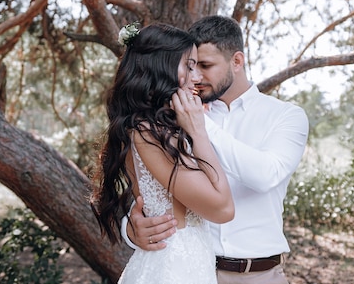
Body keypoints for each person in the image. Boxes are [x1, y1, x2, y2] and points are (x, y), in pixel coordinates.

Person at [121, 16, 309, 284]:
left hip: (257, 274)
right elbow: (155, 187)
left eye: (206, 65)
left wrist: (201, 125)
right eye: (192, 65)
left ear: (237, 61)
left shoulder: (285, 116)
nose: (197, 77)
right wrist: (131, 228)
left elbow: (266, 175)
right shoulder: (168, 119)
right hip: (188, 268)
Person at [91, 22, 235, 284]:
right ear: (161, 67)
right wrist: (199, 132)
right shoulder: (150, 133)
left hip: (190, 261)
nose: (197, 77)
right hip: (174, 267)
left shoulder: (156, 127)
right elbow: (223, 208)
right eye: (189, 66)